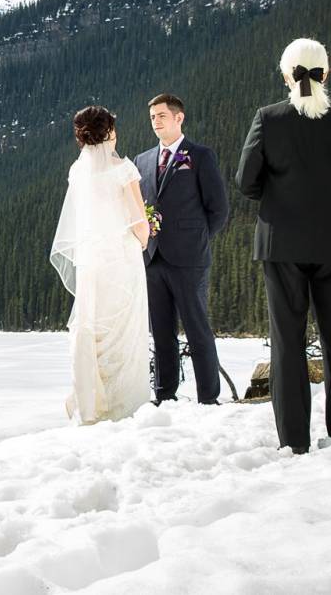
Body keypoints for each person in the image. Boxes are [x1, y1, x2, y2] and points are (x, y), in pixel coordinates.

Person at [235, 37, 331, 454]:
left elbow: (246, 182)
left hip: (281, 246)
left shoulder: (268, 119)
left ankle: (294, 441)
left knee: (288, 343)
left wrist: (281, 200)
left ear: (285, 76)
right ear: (325, 73)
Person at [49, 105, 152, 423]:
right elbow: (138, 218)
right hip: (121, 259)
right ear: (109, 133)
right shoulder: (124, 168)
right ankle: (124, 405)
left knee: (94, 326)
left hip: (91, 262)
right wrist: (145, 238)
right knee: (124, 328)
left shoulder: (77, 171)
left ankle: (91, 400)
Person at [137, 94, 230, 404]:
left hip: (190, 258)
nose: (156, 121)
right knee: (161, 332)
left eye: (162, 115)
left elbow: (218, 209)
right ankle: (164, 394)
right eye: (152, 117)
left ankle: (208, 396)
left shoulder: (200, 156)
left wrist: (197, 240)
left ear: (179, 118)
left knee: (197, 328)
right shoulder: (143, 160)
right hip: (153, 258)